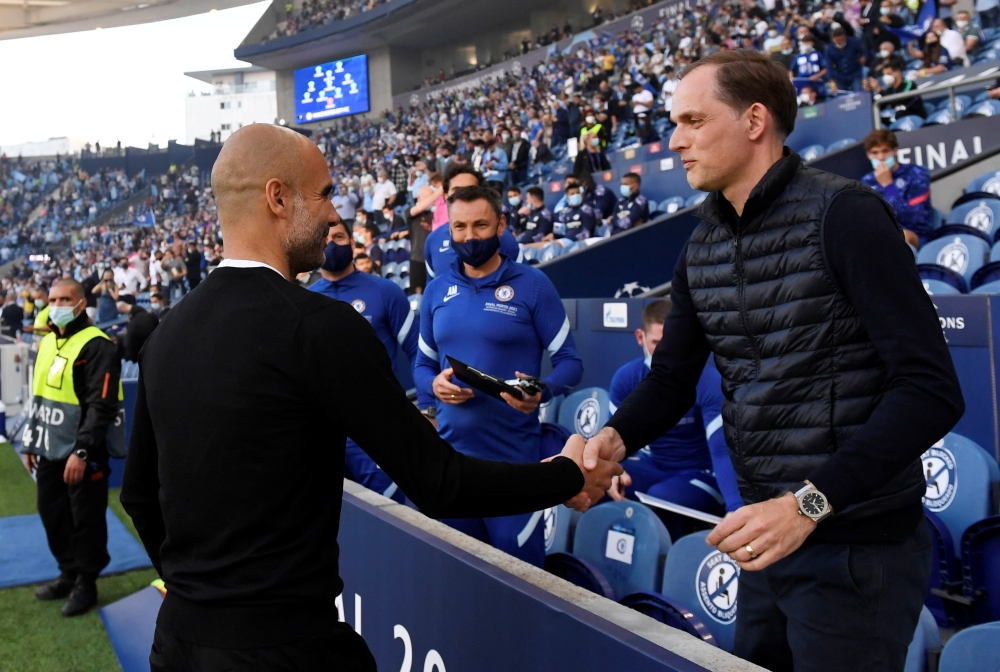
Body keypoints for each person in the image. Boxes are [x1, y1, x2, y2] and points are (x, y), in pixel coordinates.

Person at [120, 125, 619, 669]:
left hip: (177, 643)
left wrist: (198, 594)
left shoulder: (166, 335)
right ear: (278, 198)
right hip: (287, 649)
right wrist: (567, 475)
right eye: (325, 192)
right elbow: (439, 482)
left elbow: (140, 494)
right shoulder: (317, 326)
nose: (335, 215)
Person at [574, 50, 963, 672]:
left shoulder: (848, 214)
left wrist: (805, 505)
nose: (675, 141)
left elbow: (931, 390)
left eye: (693, 121)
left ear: (755, 120)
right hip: (763, 539)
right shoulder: (701, 241)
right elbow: (671, 379)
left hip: (855, 549)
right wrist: (608, 441)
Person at [415, 185, 584, 567]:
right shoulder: (438, 290)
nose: (469, 236)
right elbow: (422, 367)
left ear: (502, 224)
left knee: (520, 587)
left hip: (516, 469)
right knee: (459, 585)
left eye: (480, 225)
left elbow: (571, 363)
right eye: (459, 227)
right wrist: (433, 386)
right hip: (454, 467)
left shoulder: (534, 285)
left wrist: (542, 391)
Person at [21, 279, 124, 617]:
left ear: (82, 303)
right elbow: (39, 396)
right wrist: (31, 440)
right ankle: (68, 572)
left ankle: (86, 582)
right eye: (53, 299)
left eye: (66, 298)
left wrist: (82, 451)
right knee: (52, 512)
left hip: (83, 452)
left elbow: (102, 405)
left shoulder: (98, 345)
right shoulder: (48, 341)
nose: (58, 304)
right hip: (48, 445)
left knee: (86, 519)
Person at [607, 299, 743, 538]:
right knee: (597, 483)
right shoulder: (626, 378)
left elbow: (722, 451)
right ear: (640, 338)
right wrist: (611, 470)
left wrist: (736, 508)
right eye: (656, 343)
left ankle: (671, 567)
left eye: (670, 343)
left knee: (662, 498)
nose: (663, 352)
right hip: (654, 466)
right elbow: (612, 440)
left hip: (701, 472)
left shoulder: (708, 382)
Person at [308, 219, 418, 501]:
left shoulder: (385, 292)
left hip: (378, 428)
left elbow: (418, 352)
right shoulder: (304, 299)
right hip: (324, 434)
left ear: (353, 243)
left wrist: (428, 411)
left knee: (395, 515)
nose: (332, 243)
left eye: (340, 237)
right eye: (325, 237)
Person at [423, 166, 522, 279]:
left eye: (471, 190)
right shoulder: (433, 241)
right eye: (457, 190)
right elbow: (433, 291)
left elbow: (524, 282)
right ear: (445, 196)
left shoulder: (502, 236)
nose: (464, 196)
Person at [861, 129, 932, 246]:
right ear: (868, 155)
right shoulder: (867, 181)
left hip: (916, 236)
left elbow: (915, 219)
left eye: (885, 151)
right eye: (875, 152)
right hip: (881, 236)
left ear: (895, 151)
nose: (881, 157)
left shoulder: (916, 173)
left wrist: (889, 186)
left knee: (900, 236)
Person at [825, 26, 866, 92]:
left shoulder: (854, 42)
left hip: (855, 73)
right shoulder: (829, 49)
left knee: (858, 93)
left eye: (842, 40)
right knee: (842, 97)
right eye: (838, 41)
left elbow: (864, 52)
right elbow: (829, 66)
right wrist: (832, 83)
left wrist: (863, 57)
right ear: (833, 39)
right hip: (840, 76)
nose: (840, 42)